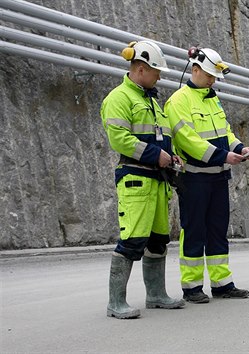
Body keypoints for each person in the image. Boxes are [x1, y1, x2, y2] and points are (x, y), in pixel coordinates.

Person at [100, 40, 185, 319]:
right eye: (155, 71)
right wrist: (154, 155)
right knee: (133, 240)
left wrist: (171, 158)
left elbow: (162, 138)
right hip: (136, 179)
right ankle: (115, 302)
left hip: (158, 181)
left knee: (159, 240)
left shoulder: (151, 100)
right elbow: (119, 139)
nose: (159, 76)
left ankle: (157, 295)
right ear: (139, 69)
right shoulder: (119, 98)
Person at [164, 46, 249, 303]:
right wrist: (225, 155)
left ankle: (222, 283)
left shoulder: (211, 98)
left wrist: (238, 147)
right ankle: (191, 287)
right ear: (194, 70)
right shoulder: (178, 102)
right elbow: (189, 141)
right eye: (209, 76)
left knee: (217, 229)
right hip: (194, 178)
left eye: (215, 77)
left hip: (217, 176)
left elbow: (225, 131)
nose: (213, 81)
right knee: (194, 230)